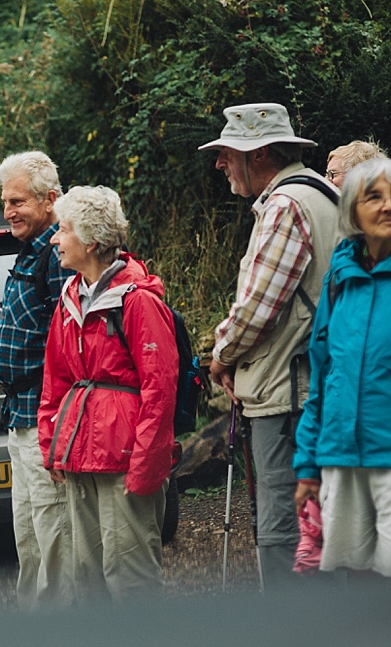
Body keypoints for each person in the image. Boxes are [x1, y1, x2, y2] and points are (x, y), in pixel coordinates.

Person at [198, 102, 341, 591]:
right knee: (319, 525)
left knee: (282, 529)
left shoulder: (285, 206)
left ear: (258, 154)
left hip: (288, 397)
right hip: (315, 388)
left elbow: (258, 308)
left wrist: (222, 356)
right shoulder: (325, 194)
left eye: (226, 154)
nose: (219, 163)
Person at [37, 185, 177, 604]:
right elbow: (55, 380)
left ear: (91, 242)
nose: (54, 239)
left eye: (62, 230)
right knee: (87, 579)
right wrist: (51, 447)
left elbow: (160, 390)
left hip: (124, 459)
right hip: (80, 455)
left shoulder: (138, 302)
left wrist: (146, 468)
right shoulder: (69, 298)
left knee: (131, 578)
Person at [293, 157, 391, 582]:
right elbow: (322, 377)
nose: (388, 206)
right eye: (374, 197)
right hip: (341, 458)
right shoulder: (339, 276)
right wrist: (308, 467)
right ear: (353, 210)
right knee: (353, 582)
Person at [0, 151, 74, 610]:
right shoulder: (30, 251)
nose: (9, 212)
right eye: (5, 202)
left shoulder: (60, 255)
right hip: (17, 414)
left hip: (46, 416)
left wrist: (54, 420)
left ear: (50, 199)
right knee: (29, 532)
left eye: (18, 201)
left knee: (54, 530)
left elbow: (70, 342)